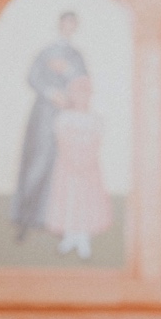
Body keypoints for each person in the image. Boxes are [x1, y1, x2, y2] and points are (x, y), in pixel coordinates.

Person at [10, 12, 88, 239]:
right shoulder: (46, 51)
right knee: (38, 161)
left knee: (61, 166)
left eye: (72, 24)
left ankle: (50, 218)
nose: (68, 28)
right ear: (60, 24)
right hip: (44, 113)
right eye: (66, 23)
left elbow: (83, 82)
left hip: (68, 116)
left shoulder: (76, 56)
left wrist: (68, 75)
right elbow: (33, 76)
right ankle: (24, 218)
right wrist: (51, 93)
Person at [44, 74, 112, 260]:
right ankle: (70, 237)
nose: (82, 98)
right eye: (77, 94)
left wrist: (86, 161)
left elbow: (96, 141)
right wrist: (72, 161)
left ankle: (83, 238)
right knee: (69, 199)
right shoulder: (64, 118)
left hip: (88, 167)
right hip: (68, 167)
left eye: (85, 94)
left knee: (86, 200)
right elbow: (62, 140)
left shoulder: (95, 119)